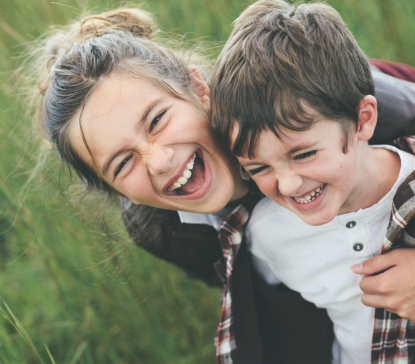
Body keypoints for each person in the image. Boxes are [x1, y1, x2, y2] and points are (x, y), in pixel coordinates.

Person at [33, 5, 415, 364]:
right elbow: (267, 307)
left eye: (157, 120)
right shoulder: (163, 228)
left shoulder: (312, 105)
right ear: (111, 190)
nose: (161, 160)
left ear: (200, 90)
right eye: (122, 162)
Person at [209, 0, 415, 362]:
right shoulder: (268, 234)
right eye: (258, 168)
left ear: (362, 119)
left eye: (303, 154)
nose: (287, 186)